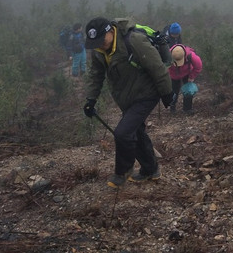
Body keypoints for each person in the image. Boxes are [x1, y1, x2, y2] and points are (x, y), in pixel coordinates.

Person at [82, 16, 173, 188]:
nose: (100, 44)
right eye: (96, 42)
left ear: (111, 31)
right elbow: (96, 75)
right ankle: (150, 169)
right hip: (126, 97)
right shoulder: (99, 51)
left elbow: (157, 67)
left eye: (102, 39)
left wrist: (167, 93)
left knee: (123, 133)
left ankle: (122, 173)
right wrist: (91, 99)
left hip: (147, 93)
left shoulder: (134, 41)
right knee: (136, 132)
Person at [167, 44, 202, 113]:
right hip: (173, 75)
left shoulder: (191, 56)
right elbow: (163, 67)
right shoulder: (167, 56)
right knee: (174, 91)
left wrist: (192, 76)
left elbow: (198, 67)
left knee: (188, 90)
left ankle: (187, 108)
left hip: (187, 73)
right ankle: (172, 107)